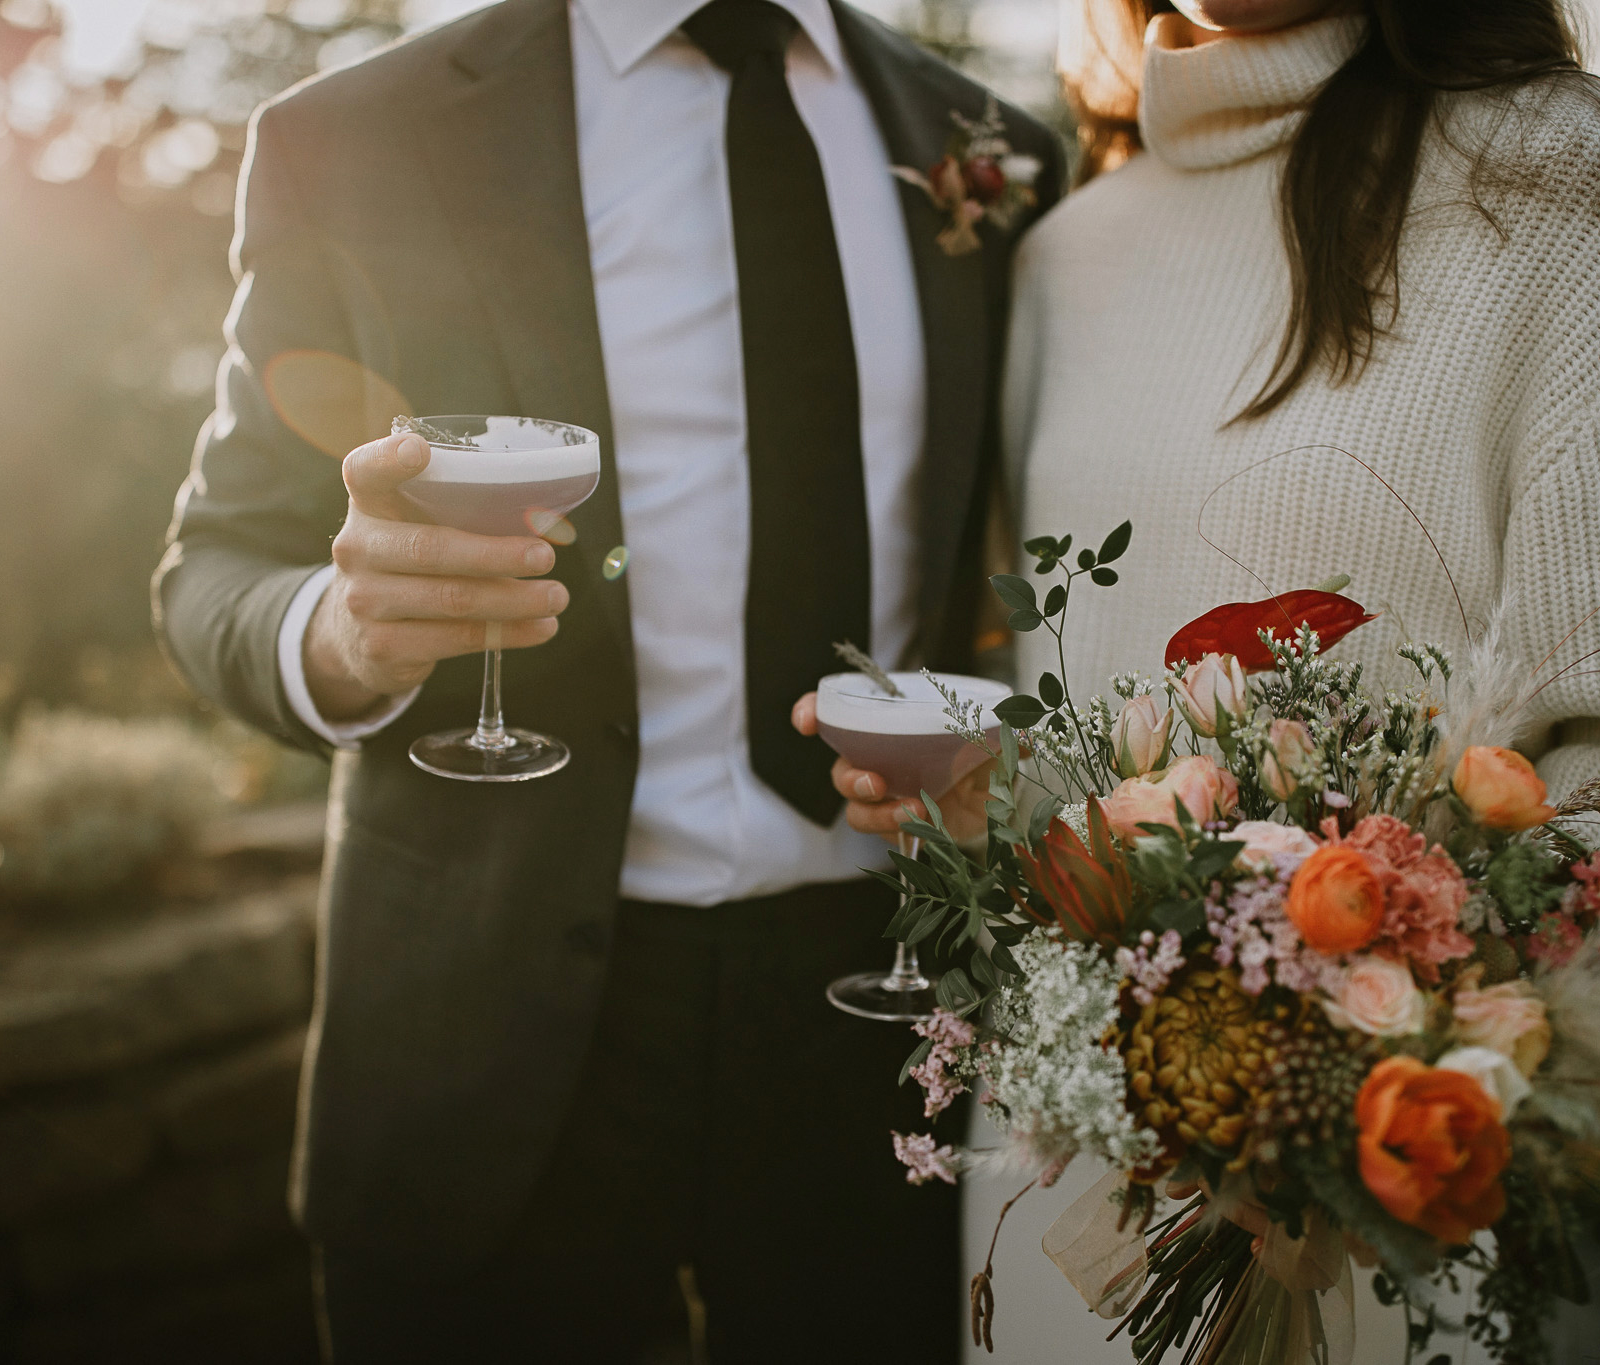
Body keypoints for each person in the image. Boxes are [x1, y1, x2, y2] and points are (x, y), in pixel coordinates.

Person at [819, 0, 1600, 1359]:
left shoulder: (1558, 175)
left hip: (1389, 1230)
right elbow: (1071, 709)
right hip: (1056, 1217)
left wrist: (1330, 1088)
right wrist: (985, 812)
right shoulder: (1071, 249)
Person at [152, 0, 1062, 1357]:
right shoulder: (357, 136)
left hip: (881, 1016)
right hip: (486, 1023)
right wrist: (344, 632)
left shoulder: (990, 147)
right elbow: (213, 569)